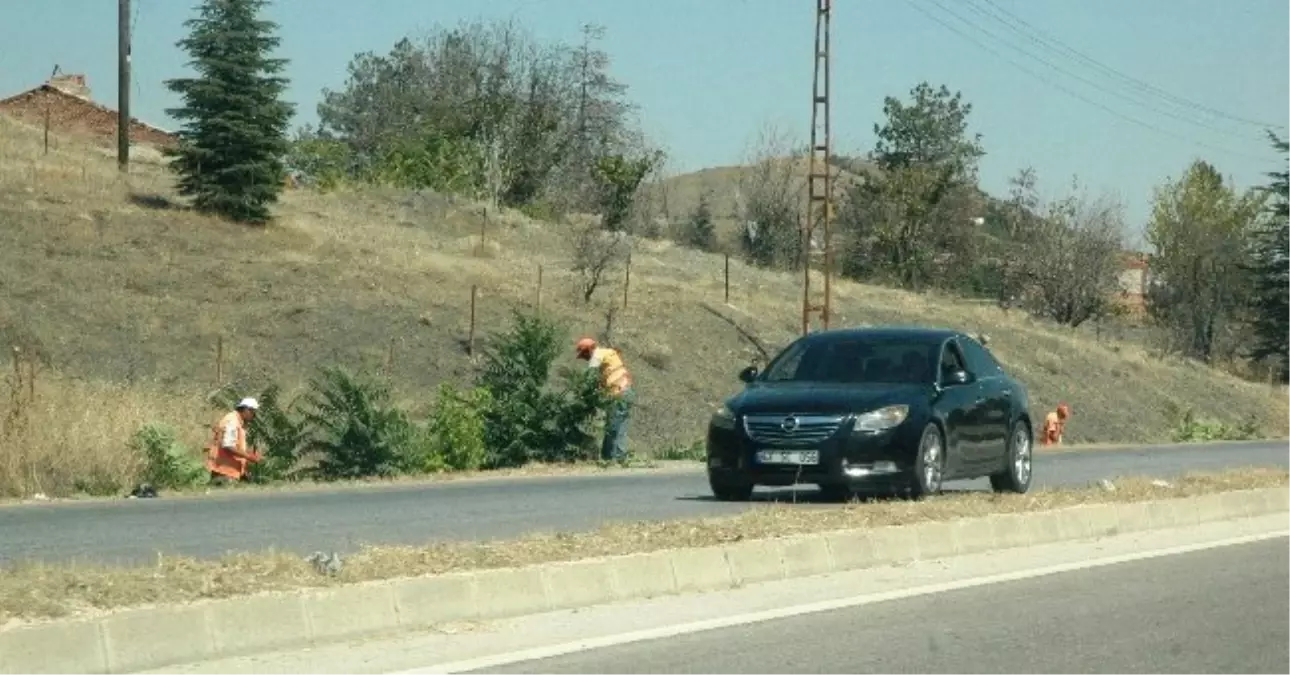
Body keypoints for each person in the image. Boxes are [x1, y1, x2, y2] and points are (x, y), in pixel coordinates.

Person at [575, 337, 635, 462]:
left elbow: (589, 377)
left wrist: (582, 393)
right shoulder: (607, 354)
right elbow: (600, 380)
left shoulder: (597, 356)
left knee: (613, 426)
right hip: (626, 391)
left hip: (619, 393)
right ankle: (617, 456)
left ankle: (610, 457)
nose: (585, 358)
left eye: (584, 354)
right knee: (619, 425)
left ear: (589, 350)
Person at [206, 397, 263, 482]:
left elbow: (235, 445)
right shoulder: (232, 421)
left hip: (226, 470)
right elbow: (228, 446)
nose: (254, 416)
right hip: (225, 471)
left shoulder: (236, 420)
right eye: (252, 412)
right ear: (246, 410)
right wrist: (249, 456)